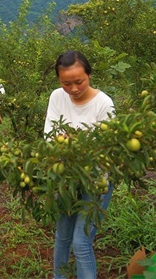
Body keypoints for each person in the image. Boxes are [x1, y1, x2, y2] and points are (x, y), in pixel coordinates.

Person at [44, 50, 115, 279]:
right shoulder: (57, 97)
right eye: (66, 83)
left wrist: (68, 142)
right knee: (62, 237)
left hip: (96, 182)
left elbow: (105, 150)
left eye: (79, 82)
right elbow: (49, 138)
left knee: (81, 242)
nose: (73, 89)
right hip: (65, 180)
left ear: (89, 75)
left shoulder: (103, 104)